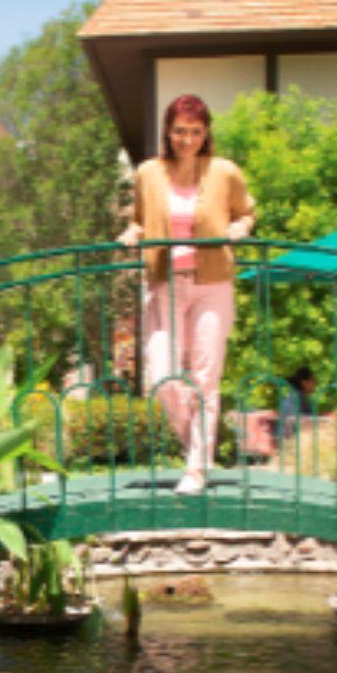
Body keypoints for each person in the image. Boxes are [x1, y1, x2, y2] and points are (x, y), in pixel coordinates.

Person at [119, 94, 257, 496]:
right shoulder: (148, 172)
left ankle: (196, 466)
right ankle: (198, 447)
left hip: (212, 284)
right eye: (180, 131)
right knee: (162, 377)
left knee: (205, 376)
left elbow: (246, 212)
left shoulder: (224, 171)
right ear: (167, 130)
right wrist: (133, 233)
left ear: (206, 133)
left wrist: (239, 230)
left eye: (195, 132)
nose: (187, 139)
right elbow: (142, 220)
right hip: (165, 284)